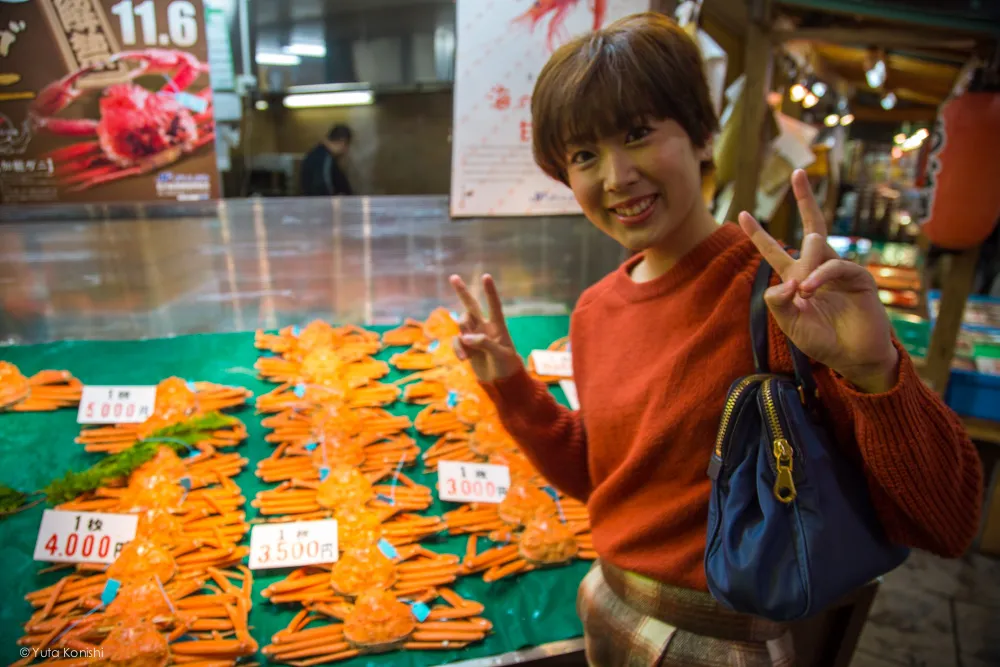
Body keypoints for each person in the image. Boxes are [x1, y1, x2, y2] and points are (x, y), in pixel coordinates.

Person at [447, 13, 983, 667]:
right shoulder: (593, 310)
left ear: (702, 135)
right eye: (584, 154)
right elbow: (605, 477)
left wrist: (874, 369)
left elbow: (950, 522)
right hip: (608, 607)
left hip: (726, 638)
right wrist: (510, 384)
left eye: (638, 133)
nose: (615, 176)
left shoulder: (789, 300)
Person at [300, 124, 354, 197]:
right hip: (323, 206)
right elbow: (322, 187)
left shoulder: (319, 154)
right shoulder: (324, 158)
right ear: (342, 141)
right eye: (346, 145)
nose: (346, 150)